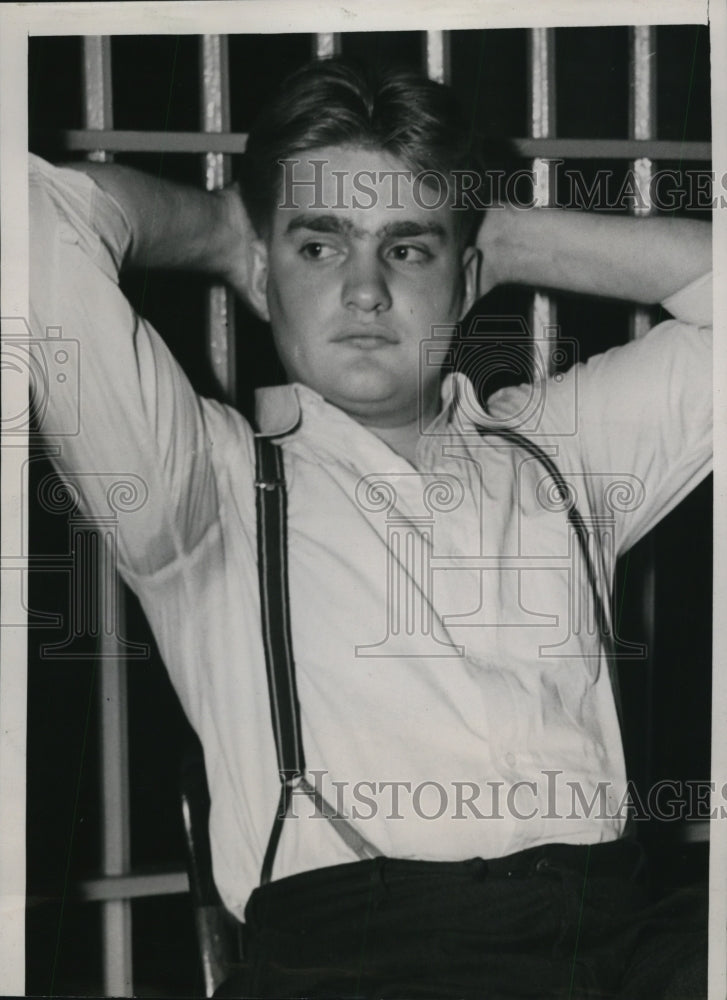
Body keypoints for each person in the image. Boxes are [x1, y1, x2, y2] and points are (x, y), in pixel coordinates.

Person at [29, 58, 711, 998]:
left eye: (406, 248)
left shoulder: (559, 448)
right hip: (362, 959)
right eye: (320, 245)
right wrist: (228, 232)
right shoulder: (204, 483)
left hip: (619, 934)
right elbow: (32, 224)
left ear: (462, 276)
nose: (364, 290)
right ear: (263, 272)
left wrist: (505, 237)